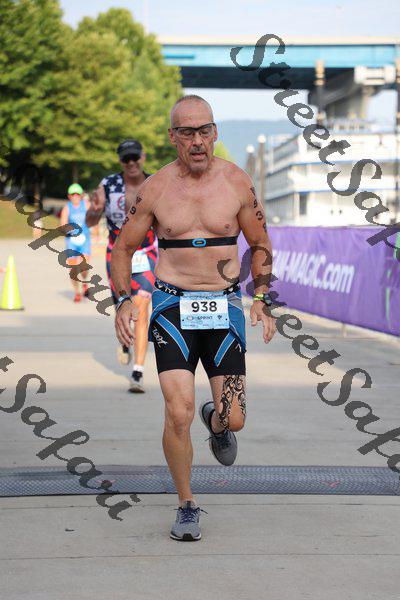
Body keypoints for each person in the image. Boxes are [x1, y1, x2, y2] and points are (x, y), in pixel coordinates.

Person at [111, 95, 276, 541]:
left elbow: (260, 243)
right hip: (172, 308)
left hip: (224, 306)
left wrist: (262, 296)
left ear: (215, 132)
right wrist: (123, 300)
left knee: (234, 418)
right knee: (177, 411)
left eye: (204, 131)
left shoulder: (237, 182)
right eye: (187, 132)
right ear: (173, 137)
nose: (197, 141)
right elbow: (123, 248)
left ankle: (217, 421)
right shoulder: (156, 188)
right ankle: (186, 503)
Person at [86, 139, 157, 393]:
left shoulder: (155, 183)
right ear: (120, 161)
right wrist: (95, 210)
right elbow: (90, 221)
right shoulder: (108, 184)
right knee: (122, 305)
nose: (131, 163)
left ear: (143, 157)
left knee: (141, 308)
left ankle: (138, 371)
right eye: (126, 159)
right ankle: (126, 341)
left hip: (146, 254)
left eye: (135, 157)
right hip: (116, 255)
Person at [60, 183, 91, 303]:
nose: (75, 196)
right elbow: (62, 225)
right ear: (69, 196)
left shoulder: (86, 205)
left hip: (84, 239)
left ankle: (84, 283)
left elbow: (93, 219)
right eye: (73, 194)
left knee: (84, 267)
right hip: (71, 241)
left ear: (81, 195)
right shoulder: (67, 208)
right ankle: (77, 292)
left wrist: (95, 230)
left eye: (77, 194)